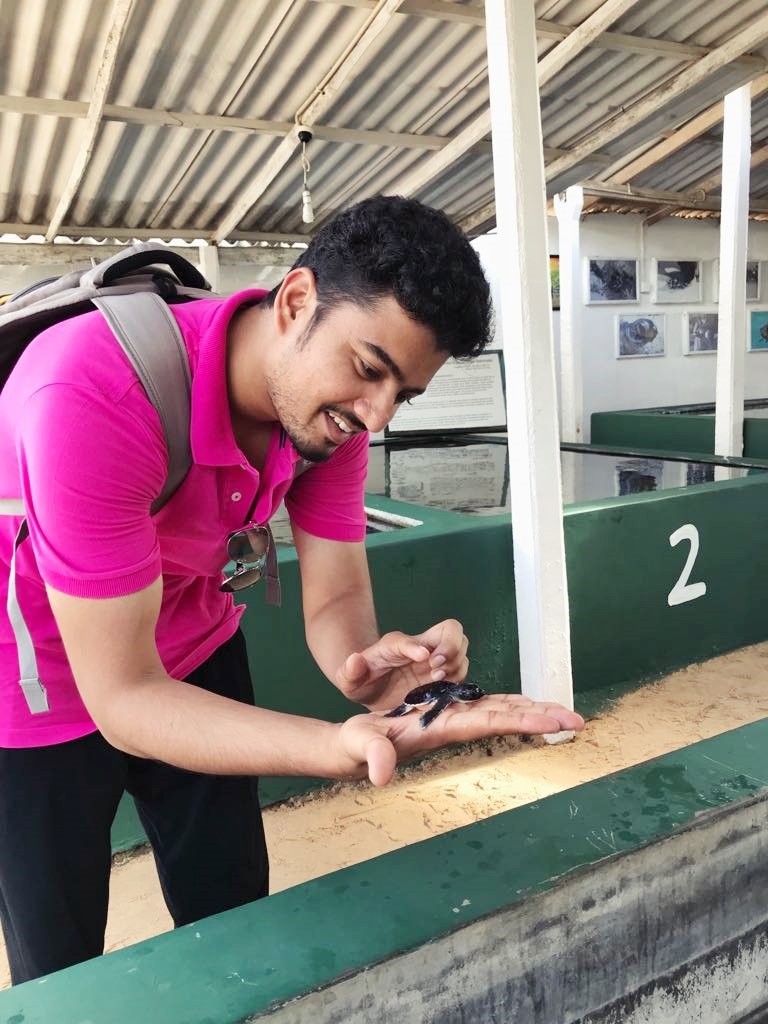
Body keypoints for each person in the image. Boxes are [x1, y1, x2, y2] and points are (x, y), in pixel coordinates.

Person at [0, 195, 583, 985]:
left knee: (235, 907)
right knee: (62, 962)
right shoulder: (93, 391)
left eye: (402, 394)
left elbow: (338, 600)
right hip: (39, 677)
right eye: (370, 369)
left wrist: (376, 671)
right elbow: (124, 695)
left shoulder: (323, 415)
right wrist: (331, 746)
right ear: (297, 301)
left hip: (194, 638)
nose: (374, 416)